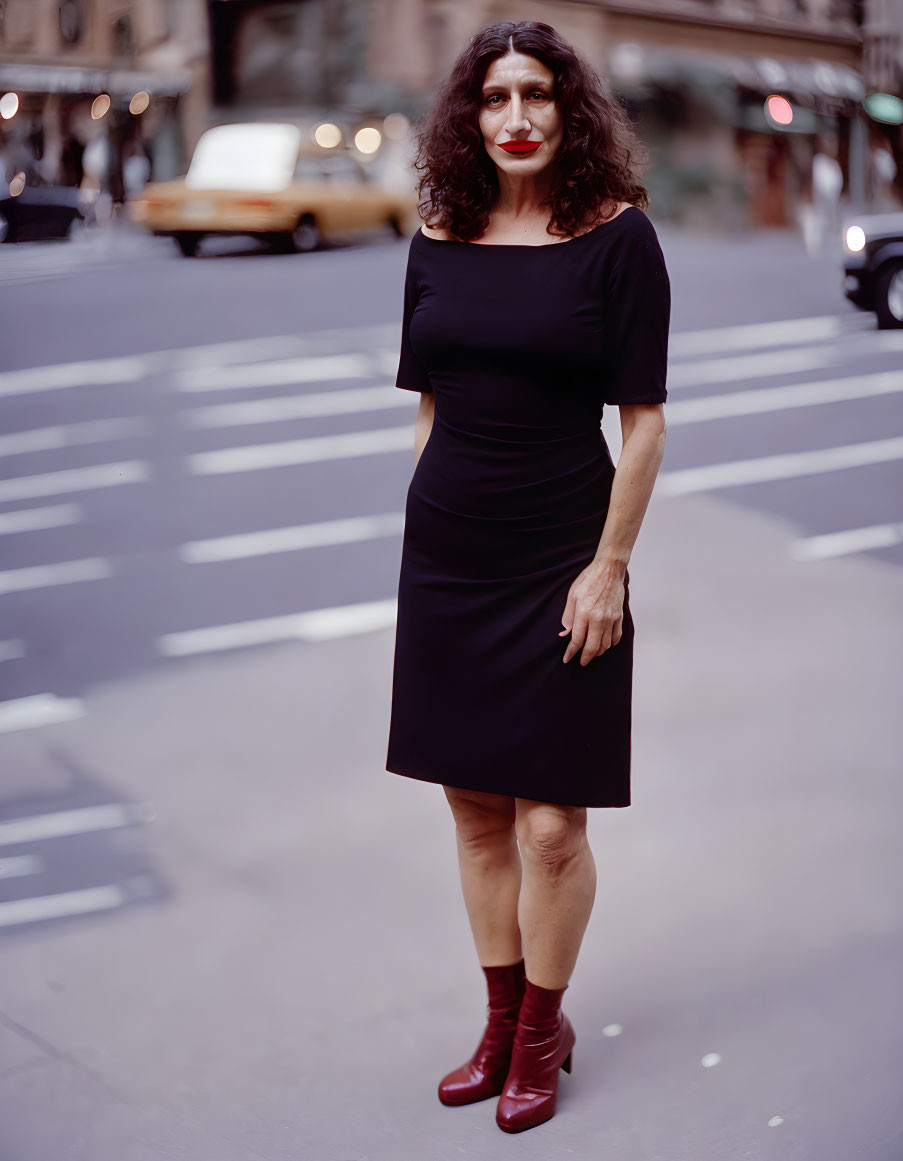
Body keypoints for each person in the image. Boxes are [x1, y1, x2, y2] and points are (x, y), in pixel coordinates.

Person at [384, 20, 670, 1133]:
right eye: (495, 97)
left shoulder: (618, 239)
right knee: (474, 815)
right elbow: (430, 405)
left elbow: (642, 427)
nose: (516, 117)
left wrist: (610, 569)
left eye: (537, 95)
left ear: (570, 110)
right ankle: (499, 1022)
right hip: (449, 560)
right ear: (469, 114)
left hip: (562, 558)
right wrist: (422, 545)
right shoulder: (438, 234)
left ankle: (545, 1031)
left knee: (553, 826)